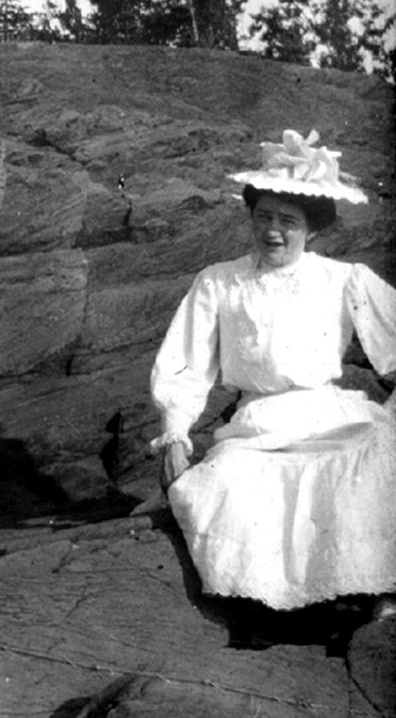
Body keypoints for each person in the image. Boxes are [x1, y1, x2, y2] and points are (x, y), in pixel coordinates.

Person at [150, 129, 396, 617]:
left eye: (289, 220)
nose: (273, 231)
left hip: (331, 415)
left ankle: (376, 590)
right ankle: (273, 609)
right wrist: (174, 433)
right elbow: (187, 361)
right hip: (257, 425)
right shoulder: (219, 281)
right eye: (264, 217)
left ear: (313, 229)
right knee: (228, 484)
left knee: (373, 465)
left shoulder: (344, 279)